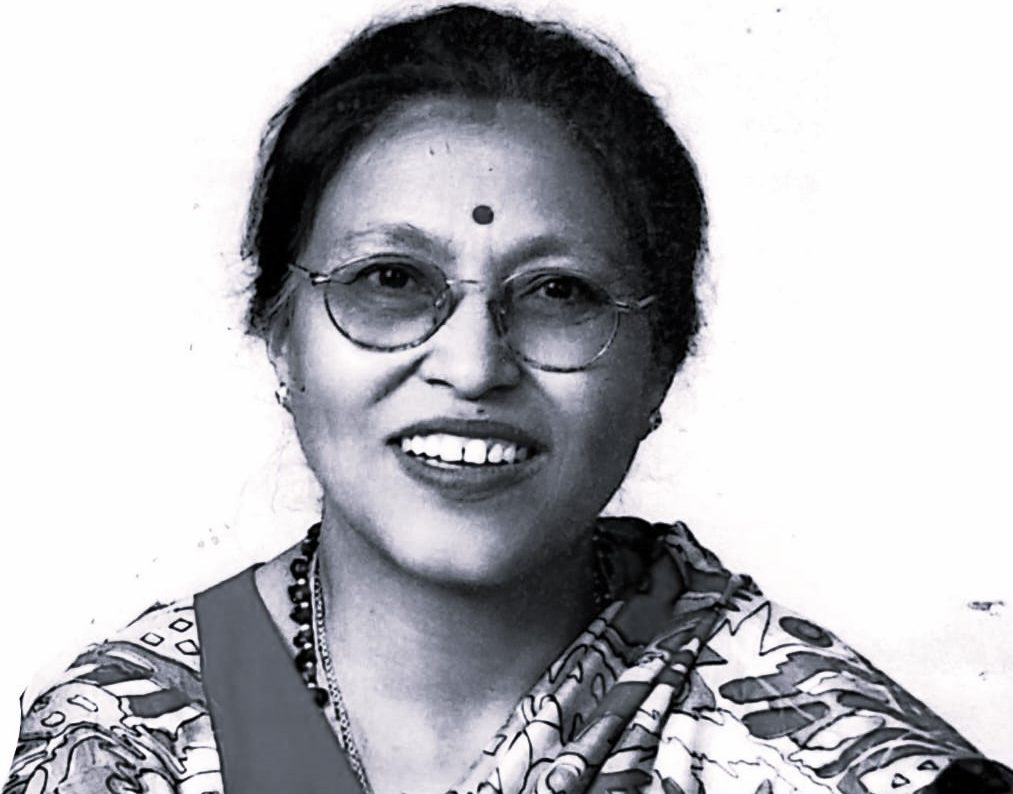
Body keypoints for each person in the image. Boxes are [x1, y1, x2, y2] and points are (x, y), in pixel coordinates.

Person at [4, 5, 1011, 794]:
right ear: (279, 332)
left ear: (660, 365)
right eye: (391, 280)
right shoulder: (125, 739)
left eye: (558, 294)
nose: (473, 364)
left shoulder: (828, 753)